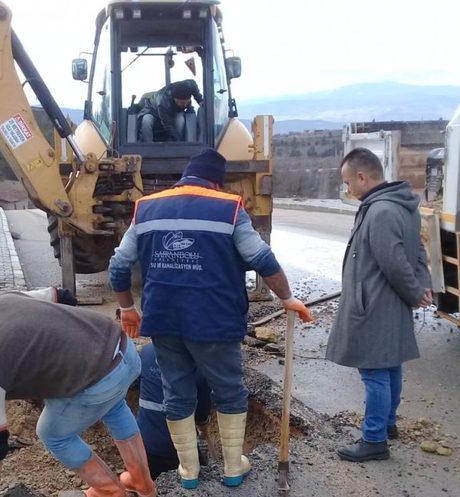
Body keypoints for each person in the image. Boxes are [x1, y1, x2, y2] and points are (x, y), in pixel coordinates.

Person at [108, 148, 312, 489]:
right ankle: (233, 468)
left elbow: (118, 266)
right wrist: (287, 298)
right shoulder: (228, 208)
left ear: (187, 175)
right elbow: (261, 258)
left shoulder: (146, 208)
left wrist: (128, 308)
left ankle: (189, 473)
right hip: (214, 323)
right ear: (216, 182)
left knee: (176, 394)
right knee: (230, 391)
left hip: (163, 321)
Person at [0, 287, 156, 497]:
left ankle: (110, 492)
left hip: (101, 379)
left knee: (51, 433)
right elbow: (62, 295)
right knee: (112, 404)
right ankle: (141, 481)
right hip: (125, 350)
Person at [326, 148, 433, 463]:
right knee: (390, 363)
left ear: (362, 177)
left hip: (373, 303)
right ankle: (387, 424)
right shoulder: (401, 205)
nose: (347, 189)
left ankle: (374, 439)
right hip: (388, 301)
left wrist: (416, 291)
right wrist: (421, 286)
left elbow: (396, 262)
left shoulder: (381, 211)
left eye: (348, 183)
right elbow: (417, 253)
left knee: (374, 370)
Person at [137, 343, 211, 479]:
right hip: (178, 447)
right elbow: (202, 410)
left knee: (150, 483)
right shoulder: (200, 362)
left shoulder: (147, 351)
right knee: (199, 479)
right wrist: (203, 429)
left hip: (142, 441)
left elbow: (136, 381)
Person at [137, 79, 203, 142]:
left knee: (180, 119)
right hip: (153, 111)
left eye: (187, 102)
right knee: (146, 120)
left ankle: (177, 145)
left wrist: (200, 100)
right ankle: (148, 144)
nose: (185, 105)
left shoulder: (190, 85)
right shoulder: (163, 102)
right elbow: (167, 124)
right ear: (175, 99)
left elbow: (193, 84)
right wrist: (176, 138)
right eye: (182, 103)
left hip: (173, 111)